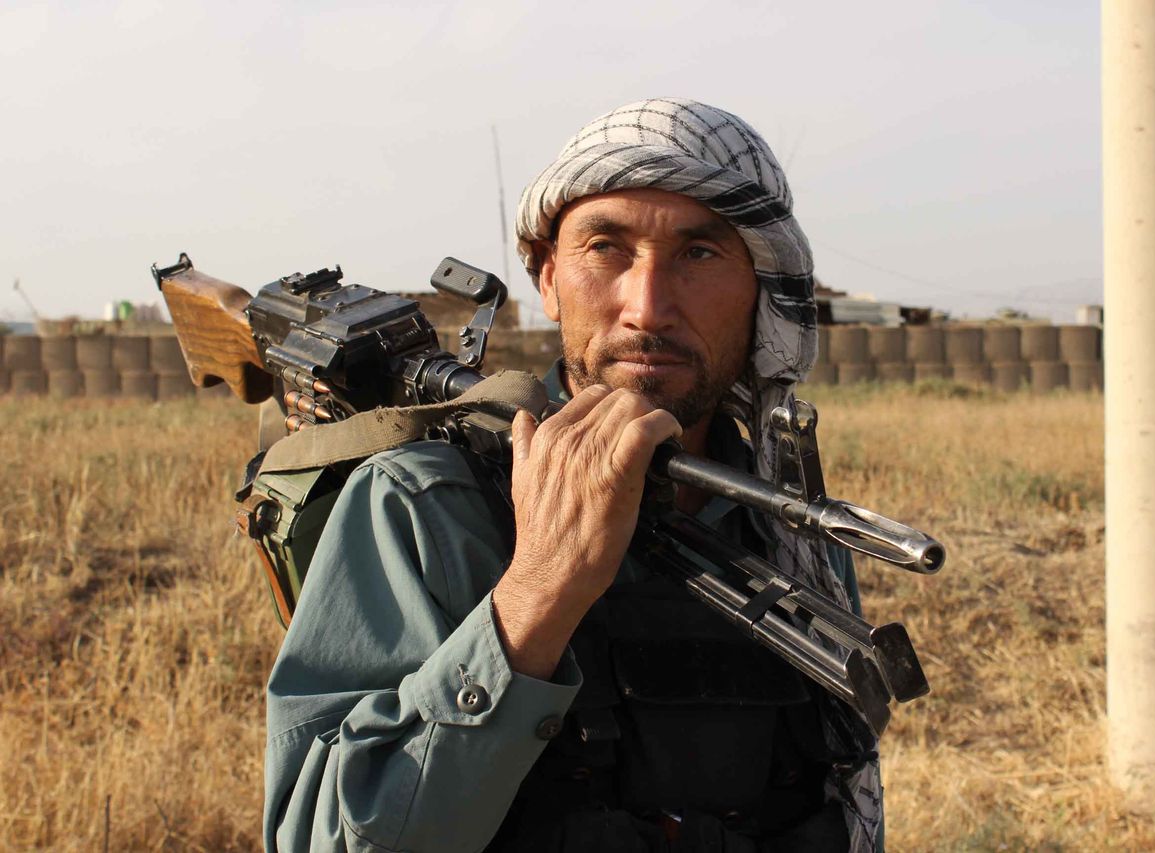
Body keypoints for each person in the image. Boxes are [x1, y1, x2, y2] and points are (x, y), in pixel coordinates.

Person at [264, 98, 884, 852]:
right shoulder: (424, 505)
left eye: (700, 254)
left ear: (763, 291)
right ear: (548, 278)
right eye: (606, 248)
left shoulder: (795, 537)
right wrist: (537, 593)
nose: (647, 308)